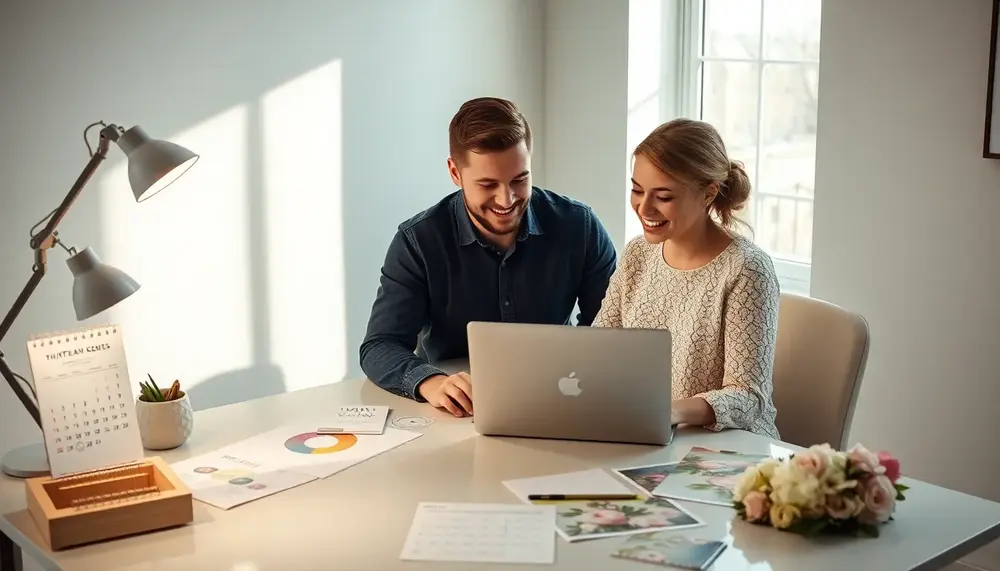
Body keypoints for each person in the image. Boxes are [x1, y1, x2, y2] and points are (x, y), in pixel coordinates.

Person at [360, 97, 617, 417]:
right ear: (455, 172)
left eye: (519, 180)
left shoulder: (580, 226)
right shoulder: (418, 241)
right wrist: (432, 382)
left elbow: (612, 328)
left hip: (559, 399)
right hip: (457, 411)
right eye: (487, 184)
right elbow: (380, 346)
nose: (506, 199)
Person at [593, 118, 781, 438]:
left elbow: (749, 398)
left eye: (663, 197)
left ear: (708, 193)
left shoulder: (746, 269)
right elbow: (598, 348)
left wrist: (668, 411)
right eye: (637, 190)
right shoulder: (638, 254)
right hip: (645, 434)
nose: (644, 208)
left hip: (727, 446)